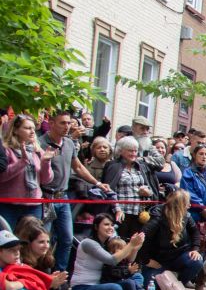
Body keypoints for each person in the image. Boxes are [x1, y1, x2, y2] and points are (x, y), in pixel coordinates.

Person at [40, 110, 111, 271]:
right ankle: (43, 275)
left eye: (68, 123)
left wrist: (97, 183)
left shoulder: (69, 143)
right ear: (51, 123)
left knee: (66, 238)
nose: (67, 126)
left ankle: (60, 274)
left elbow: (78, 167)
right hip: (45, 197)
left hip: (63, 197)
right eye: (62, 123)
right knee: (44, 240)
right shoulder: (41, 143)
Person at [69, 214, 145, 290]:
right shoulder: (88, 243)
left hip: (100, 285)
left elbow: (128, 260)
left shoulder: (107, 244)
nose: (110, 228)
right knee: (116, 289)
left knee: (137, 277)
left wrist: (135, 249)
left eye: (112, 225)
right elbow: (112, 260)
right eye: (106, 224)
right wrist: (131, 245)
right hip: (82, 289)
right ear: (96, 227)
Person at [138, 189, 203, 290]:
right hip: (158, 260)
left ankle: (179, 284)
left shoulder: (186, 216)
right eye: (187, 203)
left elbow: (195, 232)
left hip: (179, 256)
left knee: (196, 261)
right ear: (179, 205)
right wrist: (146, 260)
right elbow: (142, 238)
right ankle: (169, 281)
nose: (190, 205)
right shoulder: (158, 216)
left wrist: (195, 249)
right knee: (150, 283)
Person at [0, 114, 55, 229]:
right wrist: (22, 162)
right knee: (7, 239)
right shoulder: (6, 150)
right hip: (9, 206)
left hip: (34, 206)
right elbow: (2, 177)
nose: (32, 132)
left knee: (32, 239)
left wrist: (46, 162)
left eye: (33, 128)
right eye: (27, 128)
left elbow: (46, 180)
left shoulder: (37, 150)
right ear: (15, 130)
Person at [103, 137, 160, 239]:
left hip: (140, 214)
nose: (134, 153)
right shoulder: (113, 166)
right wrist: (117, 209)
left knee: (136, 242)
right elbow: (108, 190)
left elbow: (151, 189)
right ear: (121, 151)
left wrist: (148, 192)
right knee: (121, 241)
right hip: (122, 213)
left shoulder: (141, 166)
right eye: (130, 150)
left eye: (135, 151)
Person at [179, 144, 206, 222]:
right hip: (194, 214)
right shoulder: (188, 173)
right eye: (201, 154)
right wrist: (202, 209)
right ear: (194, 155)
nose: (204, 157)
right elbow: (189, 193)